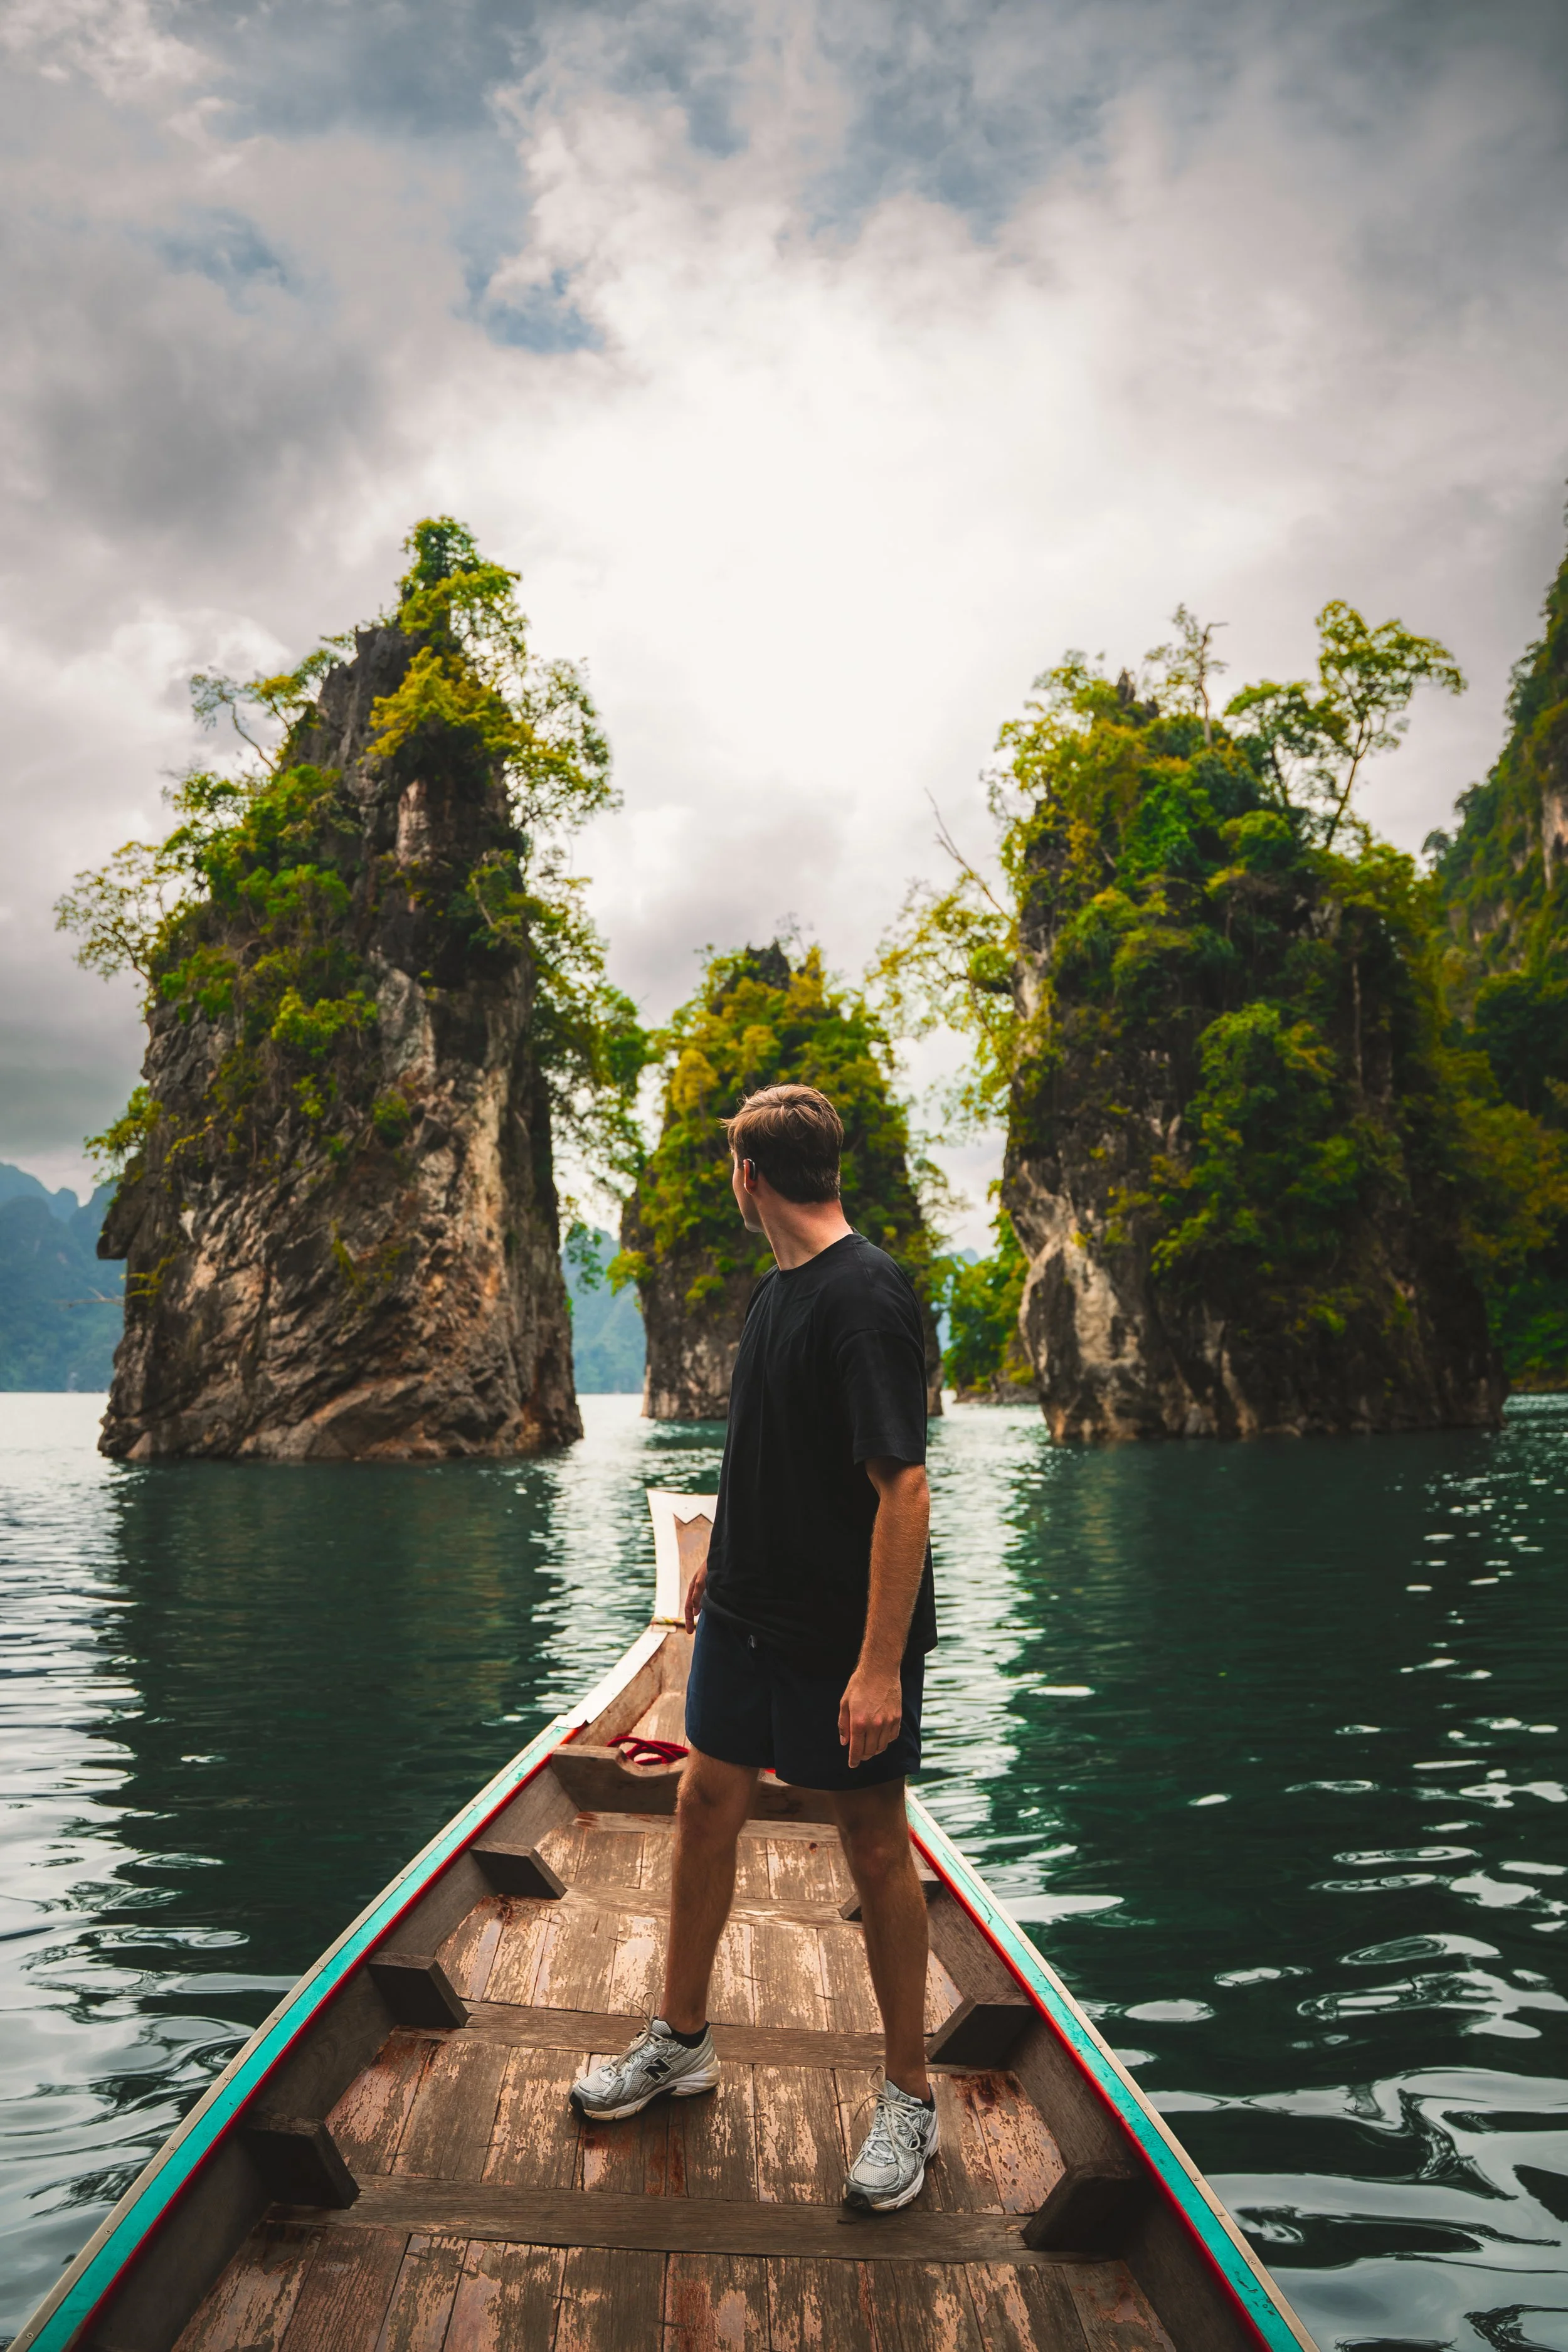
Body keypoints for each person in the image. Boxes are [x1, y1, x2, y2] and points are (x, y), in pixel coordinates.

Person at [570, 1082, 940, 2213]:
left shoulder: (865, 1297)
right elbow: (769, 1449)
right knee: (703, 1803)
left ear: (750, 1176)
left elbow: (905, 1489)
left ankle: (910, 2098)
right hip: (741, 1613)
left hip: (841, 1638)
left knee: (876, 1844)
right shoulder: (773, 1295)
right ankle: (682, 2039)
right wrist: (712, 1557)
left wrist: (877, 1666)